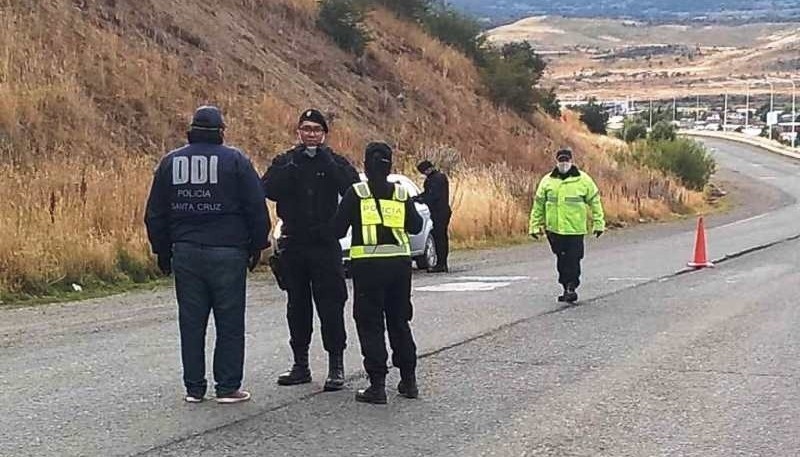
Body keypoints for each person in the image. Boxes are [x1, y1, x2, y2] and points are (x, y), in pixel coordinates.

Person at [145, 105, 270, 404]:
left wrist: (162, 250)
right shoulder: (236, 160)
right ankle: (227, 387)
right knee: (229, 322)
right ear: (221, 132)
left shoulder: (170, 162)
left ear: (191, 130)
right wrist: (257, 245)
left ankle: (194, 388)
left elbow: (155, 213)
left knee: (191, 321)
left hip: (186, 251)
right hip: (228, 251)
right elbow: (255, 206)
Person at [262, 109, 359, 391]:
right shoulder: (286, 160)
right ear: (298, 132)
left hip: (324, 244)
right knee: (297, 306)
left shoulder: (335, 161)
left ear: (324, 134)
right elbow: (267, 188)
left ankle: (336, 365)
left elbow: (352, 188)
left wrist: (328, 162)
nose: (311, 134)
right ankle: (300, 365)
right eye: (306, 129)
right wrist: (291, 168)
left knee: (331, 305)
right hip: (294, 242)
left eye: (316, 129)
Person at [334, 142, 423, 404]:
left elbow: (338, 230)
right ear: (390, 165)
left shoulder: (356, 193)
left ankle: (377, 385)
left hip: (368, 268)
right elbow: (416, 226)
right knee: (399, 322)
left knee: (370, 323)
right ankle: (409, 381)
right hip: (399, 266)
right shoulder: (399, 193)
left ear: (365, 164)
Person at [529, 148, 605, 304]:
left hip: (575, 229)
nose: (564, 163)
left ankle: (572, 286)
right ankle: (565, 286)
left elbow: (595, 202)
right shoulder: (547, 181)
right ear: (556, 162)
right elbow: (538, 205)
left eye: (566, 160)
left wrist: (599, 223)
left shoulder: (583, 180)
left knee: (574, 258)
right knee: (561, 259)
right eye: (561, 160)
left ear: (571, 161)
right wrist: (534, 226)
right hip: (554, 229)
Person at [415, 160, 452, 273]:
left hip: (439, 212)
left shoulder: (436, 179)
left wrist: (421, 200)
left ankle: (441, 264)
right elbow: (428, 194)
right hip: (441, 211)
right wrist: (418, 198)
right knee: (440, 237)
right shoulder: (437, 178)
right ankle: (442, 263)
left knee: (439, 238)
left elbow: (433, 196)